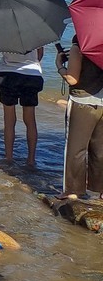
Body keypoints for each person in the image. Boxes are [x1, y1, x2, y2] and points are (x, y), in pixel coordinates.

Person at [57, 36, 103, 198]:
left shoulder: (79, 46)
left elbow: (72, 79)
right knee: (100, 150)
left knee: (76, 149)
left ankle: (73, 190)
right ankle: (99, 190)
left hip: (82, 101)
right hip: (102, 101)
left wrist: (59, 65)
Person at [0, 47, 44, 167]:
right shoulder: (36, 32)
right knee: (30, 120)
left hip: (7, 74)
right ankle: (31, 159)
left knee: (9, 121)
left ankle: (9, 157)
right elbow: (39, 55)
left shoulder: (4, 31)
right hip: (31, 75)